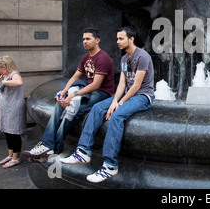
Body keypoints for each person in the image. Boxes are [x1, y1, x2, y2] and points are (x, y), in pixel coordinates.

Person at [61, 26, 154, 183]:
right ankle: (83, 151)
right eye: (117, 38)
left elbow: (137, 85)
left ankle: (110, 165)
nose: (117, 41)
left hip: (143, 96)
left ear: (131, 39)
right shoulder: (125, 59)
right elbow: (122, 84)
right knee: (97, 108)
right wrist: (115, 101)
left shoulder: (142, 56)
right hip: (127, 95)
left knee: (116, 116)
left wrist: (120, 103)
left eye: (121, 39)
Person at [24, 28, 115, 159]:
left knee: (73, 107)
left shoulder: (103, 58)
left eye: (88, 39)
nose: (85, 42)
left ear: (97, 40)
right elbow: (75, 77)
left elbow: (96, 85)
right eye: (83, 39)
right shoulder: (86, 57)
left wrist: (73, 95)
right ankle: (46, 144)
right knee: (60, 104)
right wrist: (64, 93)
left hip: (101, 93)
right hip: (88, 91)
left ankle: (56, 147)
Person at [0, 56, 27, 168]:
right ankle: (10, 155)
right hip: (7, 107)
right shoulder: (5, 75)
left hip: (14, 107)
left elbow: (19, 82)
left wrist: (4, 81)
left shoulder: (14, 74)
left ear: (4, 67)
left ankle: (16, 158)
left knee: (14, 133)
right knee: (7, 132)